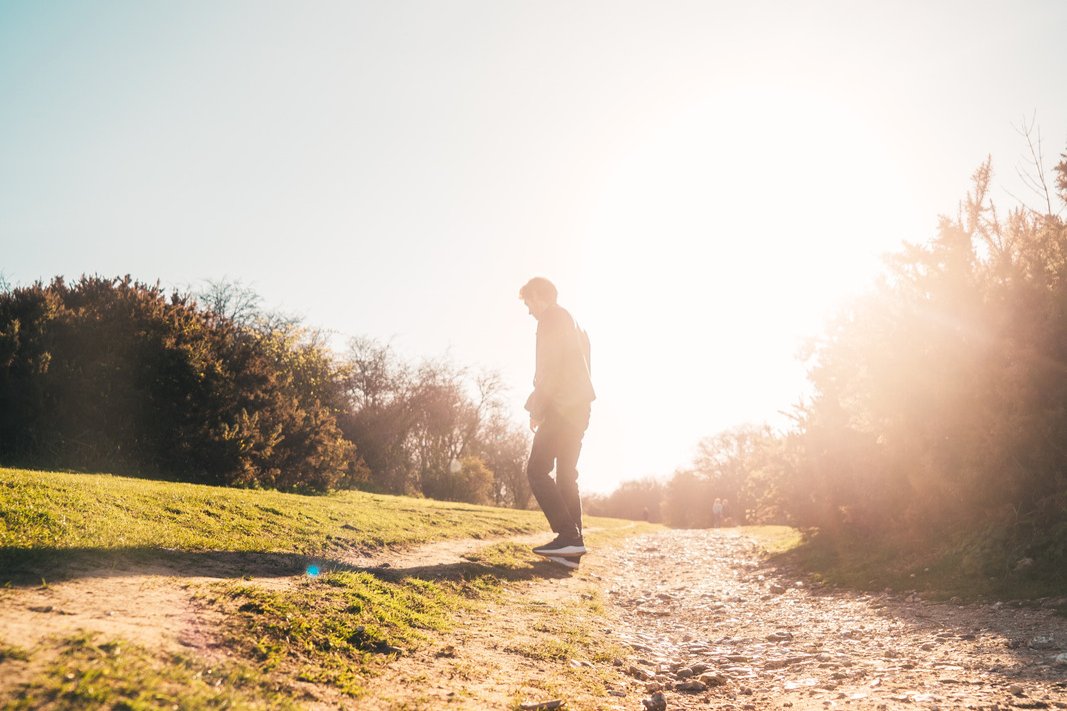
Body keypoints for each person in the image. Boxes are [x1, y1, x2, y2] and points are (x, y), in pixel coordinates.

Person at [519, 277, 595, 559]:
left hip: (561, 408)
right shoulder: (575, 324)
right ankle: (572, 548)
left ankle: (568, 536)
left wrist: (537, 409)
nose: (529, 311)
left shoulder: (550, 319)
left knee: (537, 470)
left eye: (529, 303)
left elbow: (549, 370)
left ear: (540, 297)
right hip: (579, 408)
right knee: (565, 477)